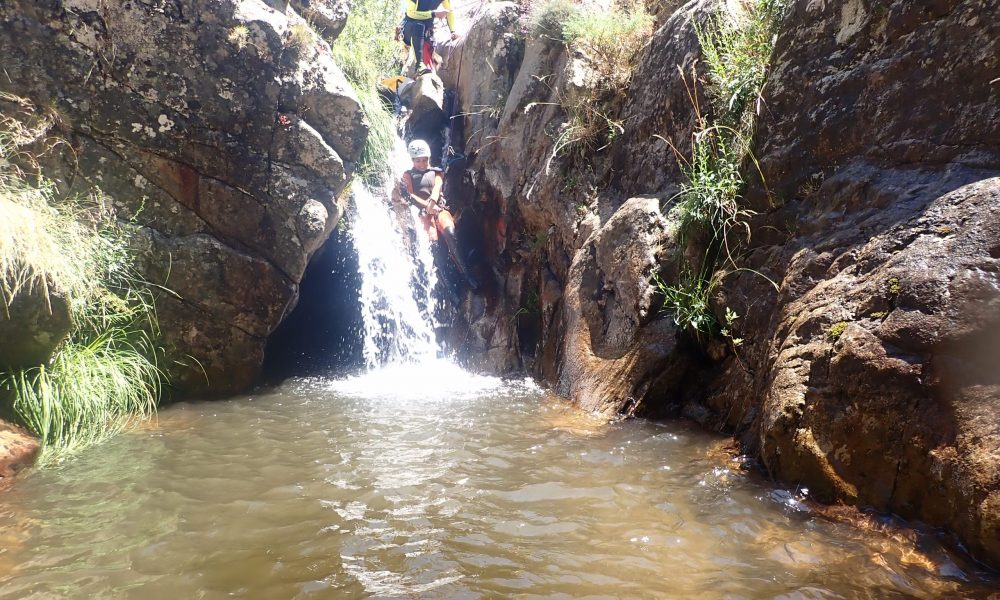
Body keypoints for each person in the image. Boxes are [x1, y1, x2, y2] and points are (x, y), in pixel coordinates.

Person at [393, 139, 477, 289]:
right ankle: (448, 285)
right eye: (418, 161)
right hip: (424, 213)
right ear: (413, 160)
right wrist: (427, 206)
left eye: (424, 160)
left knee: (450, 231)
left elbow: (437, 187)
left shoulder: (436, 171)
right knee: (434, 244)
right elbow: (410, 195)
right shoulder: (408, 175)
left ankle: (466, 272)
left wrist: (433, 202)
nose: (422, 163)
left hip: (439, 208)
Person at [396, 0, 458, 74]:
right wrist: (434, 14)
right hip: (409, 29)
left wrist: (453, 31)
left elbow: (449, 12)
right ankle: (419, 66)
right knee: (418, 26)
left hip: (425, 32)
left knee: (429, 62)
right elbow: (411, 13)